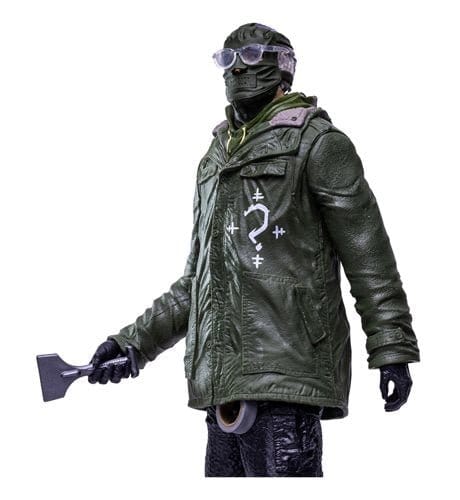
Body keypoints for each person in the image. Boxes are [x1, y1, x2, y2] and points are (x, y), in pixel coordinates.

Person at [87, 22, 420, 477]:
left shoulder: (319, 145)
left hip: (287, 373)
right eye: (227, 60)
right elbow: (199, 282)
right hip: (223, 385)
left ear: (282, 68)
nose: (238, 69)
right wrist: (132, 344)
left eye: (250, 58)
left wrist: (391, 348)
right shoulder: (215, 159)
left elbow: (368, 253)